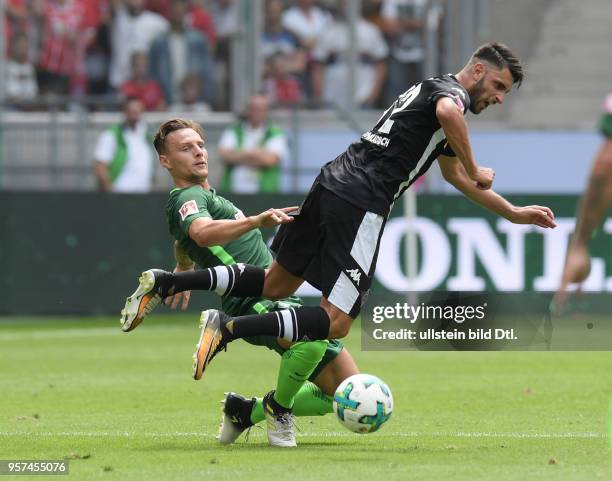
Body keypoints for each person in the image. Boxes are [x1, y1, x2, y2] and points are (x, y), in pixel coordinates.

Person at [125, 43, 558, 401]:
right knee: (336, 321)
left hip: (333, 180)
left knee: (278, 285)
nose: (499, 97)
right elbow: (451, 118)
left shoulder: (428, 93)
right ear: (478, 70)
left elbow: (456, 177)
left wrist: (515, 213)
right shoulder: (451, 96)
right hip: (363, 199)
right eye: (499, 86)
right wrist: (479, 165)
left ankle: (171, 283)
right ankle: (229, 329)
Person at [120, 118, 360, 447]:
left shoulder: (205, 197)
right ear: (166, 161)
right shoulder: (186, 197)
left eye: (200, 145)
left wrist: (182, 264)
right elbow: (200, 233)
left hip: (280, 298)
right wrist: (254, 221)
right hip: (253, 300)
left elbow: (184, 237)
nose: (198, 153)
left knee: (346, 393)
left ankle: (246, 412)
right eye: (185, 148)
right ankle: (278, 412)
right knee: (312, 340)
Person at [553, 93, 612, 313]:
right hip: (602, 185)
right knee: (582, 240)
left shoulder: (604, 159)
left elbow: (600, 172)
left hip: (602, 182)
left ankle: (562, 295)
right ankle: (569, 291)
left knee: (581, 240)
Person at [217, 94, 288, 193]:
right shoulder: (234, 130)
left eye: (260, 109)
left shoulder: (275, 133)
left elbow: (269, 160)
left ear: (266, 111)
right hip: (233, 194)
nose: (256, 112)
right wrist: (255, 153)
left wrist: (237, 156)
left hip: (264, 195)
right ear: (248, 110)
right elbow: (224, 155)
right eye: (253, 108)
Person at [149, 0, 215, 106]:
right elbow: (153, 74)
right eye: (175, 12)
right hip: (169, 100)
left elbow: (207, 71)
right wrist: (158, 99)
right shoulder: (159, 42)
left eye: (180, 11)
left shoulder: (198, 39)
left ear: (186, 13)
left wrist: (205, 98)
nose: (178, 15)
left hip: (195, 101)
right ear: (169, 13)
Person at [93, 97, 155, 193]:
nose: (135, 114)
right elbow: (100, 167)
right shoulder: (111, 135)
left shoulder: (146, 137)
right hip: (120, 194)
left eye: (138, 110)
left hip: (143, 196)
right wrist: (111, 193)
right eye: (131, 111)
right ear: (124, 112)